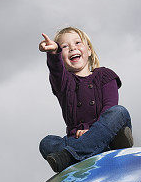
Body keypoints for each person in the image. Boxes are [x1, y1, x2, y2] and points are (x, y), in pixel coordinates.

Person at [38, 27, 133, 173]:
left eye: (77, 43)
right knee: (46, 143)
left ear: (88, 50)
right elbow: (56, 72)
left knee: (119, 112)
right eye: (64, 46)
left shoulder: (105, 75)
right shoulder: (64, 83)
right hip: (75, 139)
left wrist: (90, 130)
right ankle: (88, 150)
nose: (72, 48)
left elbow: (109, 105)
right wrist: (52, 52)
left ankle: (71, 156)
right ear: (61, 57)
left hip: (105, 132)